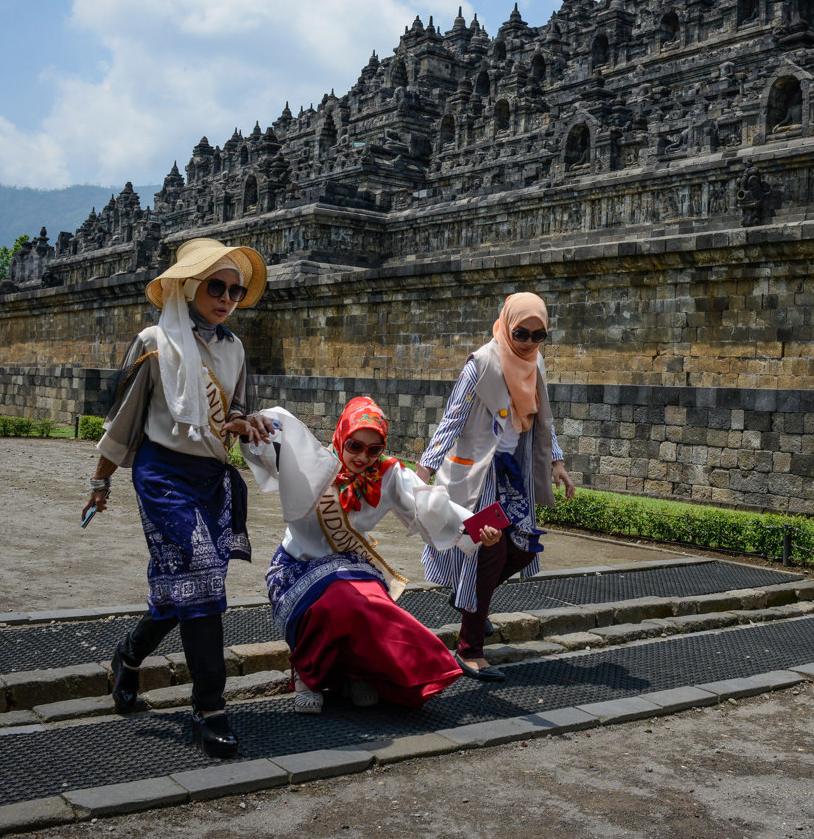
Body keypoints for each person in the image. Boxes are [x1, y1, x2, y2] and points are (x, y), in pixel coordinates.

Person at [83, 237, 274, 758]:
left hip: (210, 478)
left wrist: (245, 422)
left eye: (235, 290)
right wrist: (100, 482)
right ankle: (210, 707)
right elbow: (122, 422)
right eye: (217, 286)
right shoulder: (153, 340)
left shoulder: (234, 349)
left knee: (183, 587)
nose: (227, 298)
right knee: (204, 577)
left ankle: (127, 655)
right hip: (162, 475)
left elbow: (234, 414)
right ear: (190, 286)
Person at [243, 396, 500, 714]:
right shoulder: (311, 463)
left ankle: (357, 673)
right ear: (341, 436)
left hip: (352, 568)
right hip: (298, 568)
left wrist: (480, 527)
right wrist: (253, 427)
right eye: (354, 446)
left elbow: (430, 504)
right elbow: (269, 444)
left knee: (370, 603)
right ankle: (307, 677)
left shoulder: (388, 474)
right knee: (340, 600)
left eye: (373, 449)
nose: (363, 457)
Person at [417, 292, 575, 681]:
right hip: (478, 475)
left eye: (539, 336)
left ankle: (468, 599)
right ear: (505, 324)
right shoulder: (481, 364)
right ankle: (469, 649)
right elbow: (451, 420)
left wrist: (556, 461)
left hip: (513, 473)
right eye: (521, 333)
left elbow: (543, 420)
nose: (528, 342)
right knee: (487, 552)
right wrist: (423, 471)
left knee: (521, 549)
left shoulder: (534, 363)